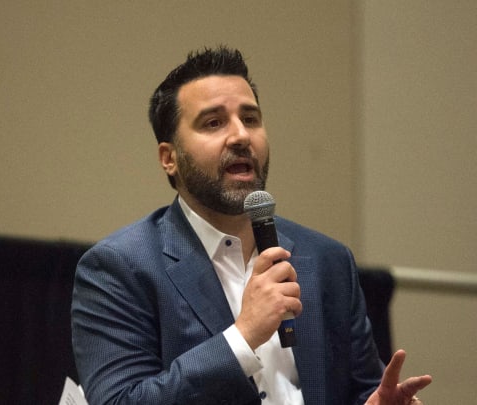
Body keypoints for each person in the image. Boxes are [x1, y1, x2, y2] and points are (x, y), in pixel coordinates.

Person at [71, 46, 432, 404]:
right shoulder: (120, 268)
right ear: (169, 158)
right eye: (213, 122)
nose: (241, 136)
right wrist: (242, 336)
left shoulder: (327, 260)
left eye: (251, 119)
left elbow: (360, 389)